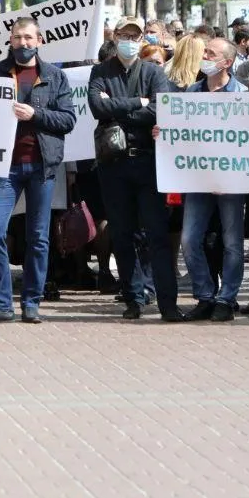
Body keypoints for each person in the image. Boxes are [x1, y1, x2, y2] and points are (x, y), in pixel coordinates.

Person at [0, 17, 76, 325]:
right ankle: (2, 303)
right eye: (18, 37)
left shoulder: (55, 76)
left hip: (42, 165)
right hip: (4, 167)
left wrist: (36, 114)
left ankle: (32, 301)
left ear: (39, 41)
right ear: (10, 40)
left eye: (29, 37)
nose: (23, 43)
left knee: (39, 236)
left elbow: (68, 120)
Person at [86, 18, 178, 321]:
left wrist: (119, 106)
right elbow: (97, 109)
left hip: (147, 161)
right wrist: (138, 103)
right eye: (125, 36)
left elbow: (160, 108)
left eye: (135, 37)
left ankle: (167, 302)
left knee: (156, 235)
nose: (130, 41)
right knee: (122, 235)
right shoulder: (100, 71)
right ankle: (134, 297)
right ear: (115, 38)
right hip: (113, 163)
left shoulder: (153, 71)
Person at [181, 37, 247, 321]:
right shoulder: (192, 93)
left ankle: (226, 298)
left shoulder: (243, 94)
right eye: (204, 51)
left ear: (227, 62)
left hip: (230, 183)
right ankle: (205, 295)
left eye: (211, 53)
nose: (204, 56)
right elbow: (180, 132)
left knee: (233, 242)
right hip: (198, 178)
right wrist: (165, 131)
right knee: (189, 239)